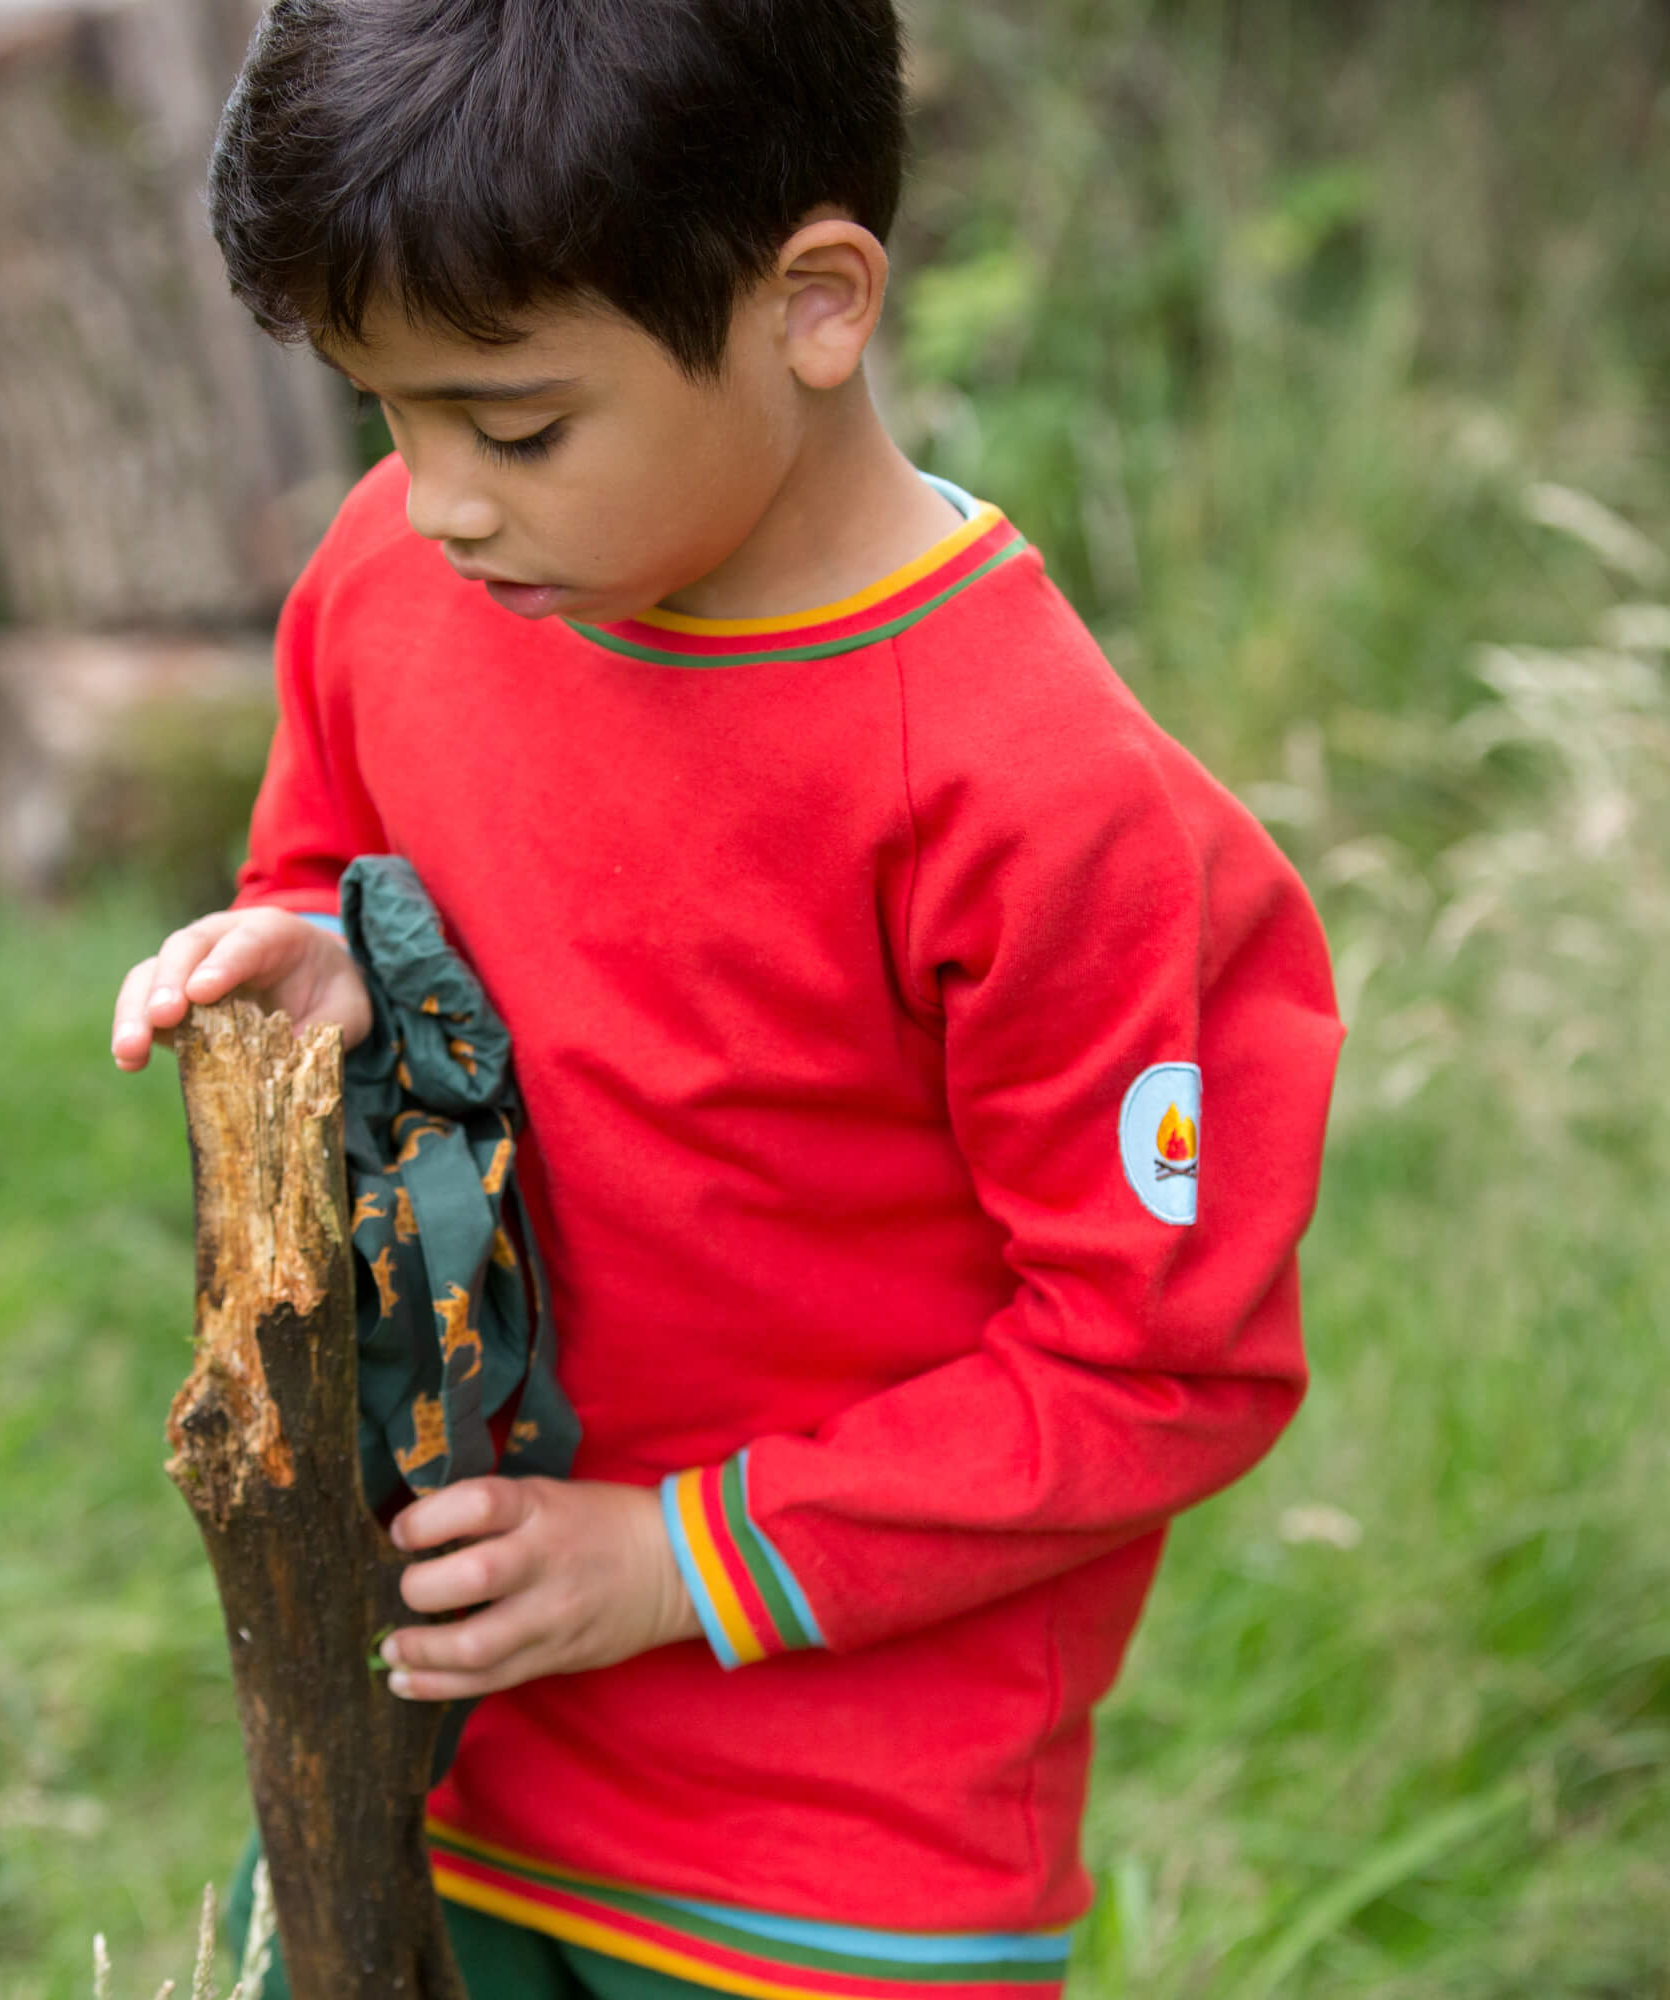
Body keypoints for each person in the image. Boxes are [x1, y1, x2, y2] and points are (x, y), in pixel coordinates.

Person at [110, 1, 1345, 1993]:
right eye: (382, 413)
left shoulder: (1036, 802)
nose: (437, 499)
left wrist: (676, 1557)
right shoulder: (397, 586)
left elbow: (1157, 1366)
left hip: (834, 1857)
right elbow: (335, 874)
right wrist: (325, 965)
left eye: (514, 426)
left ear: (816, 304)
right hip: (417, 1747)